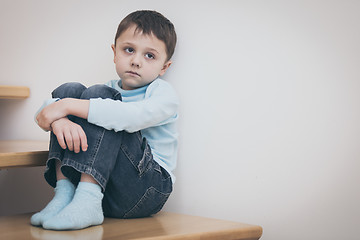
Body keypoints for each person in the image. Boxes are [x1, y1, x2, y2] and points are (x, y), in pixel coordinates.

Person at [31, 10, 178, 230]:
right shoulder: (105, 91)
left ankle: (87, 199)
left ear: (164, 67)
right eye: (129, 50)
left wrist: (65, 106)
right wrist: (59, 120)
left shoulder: (163, 95)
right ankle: (65, 194)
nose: (136, 61)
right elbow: (43, 114)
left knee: (98, 101)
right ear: (115, 52)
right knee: (71, 90)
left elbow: (129, 117)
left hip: (147, 189)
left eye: (149, 56)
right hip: (106, 189)